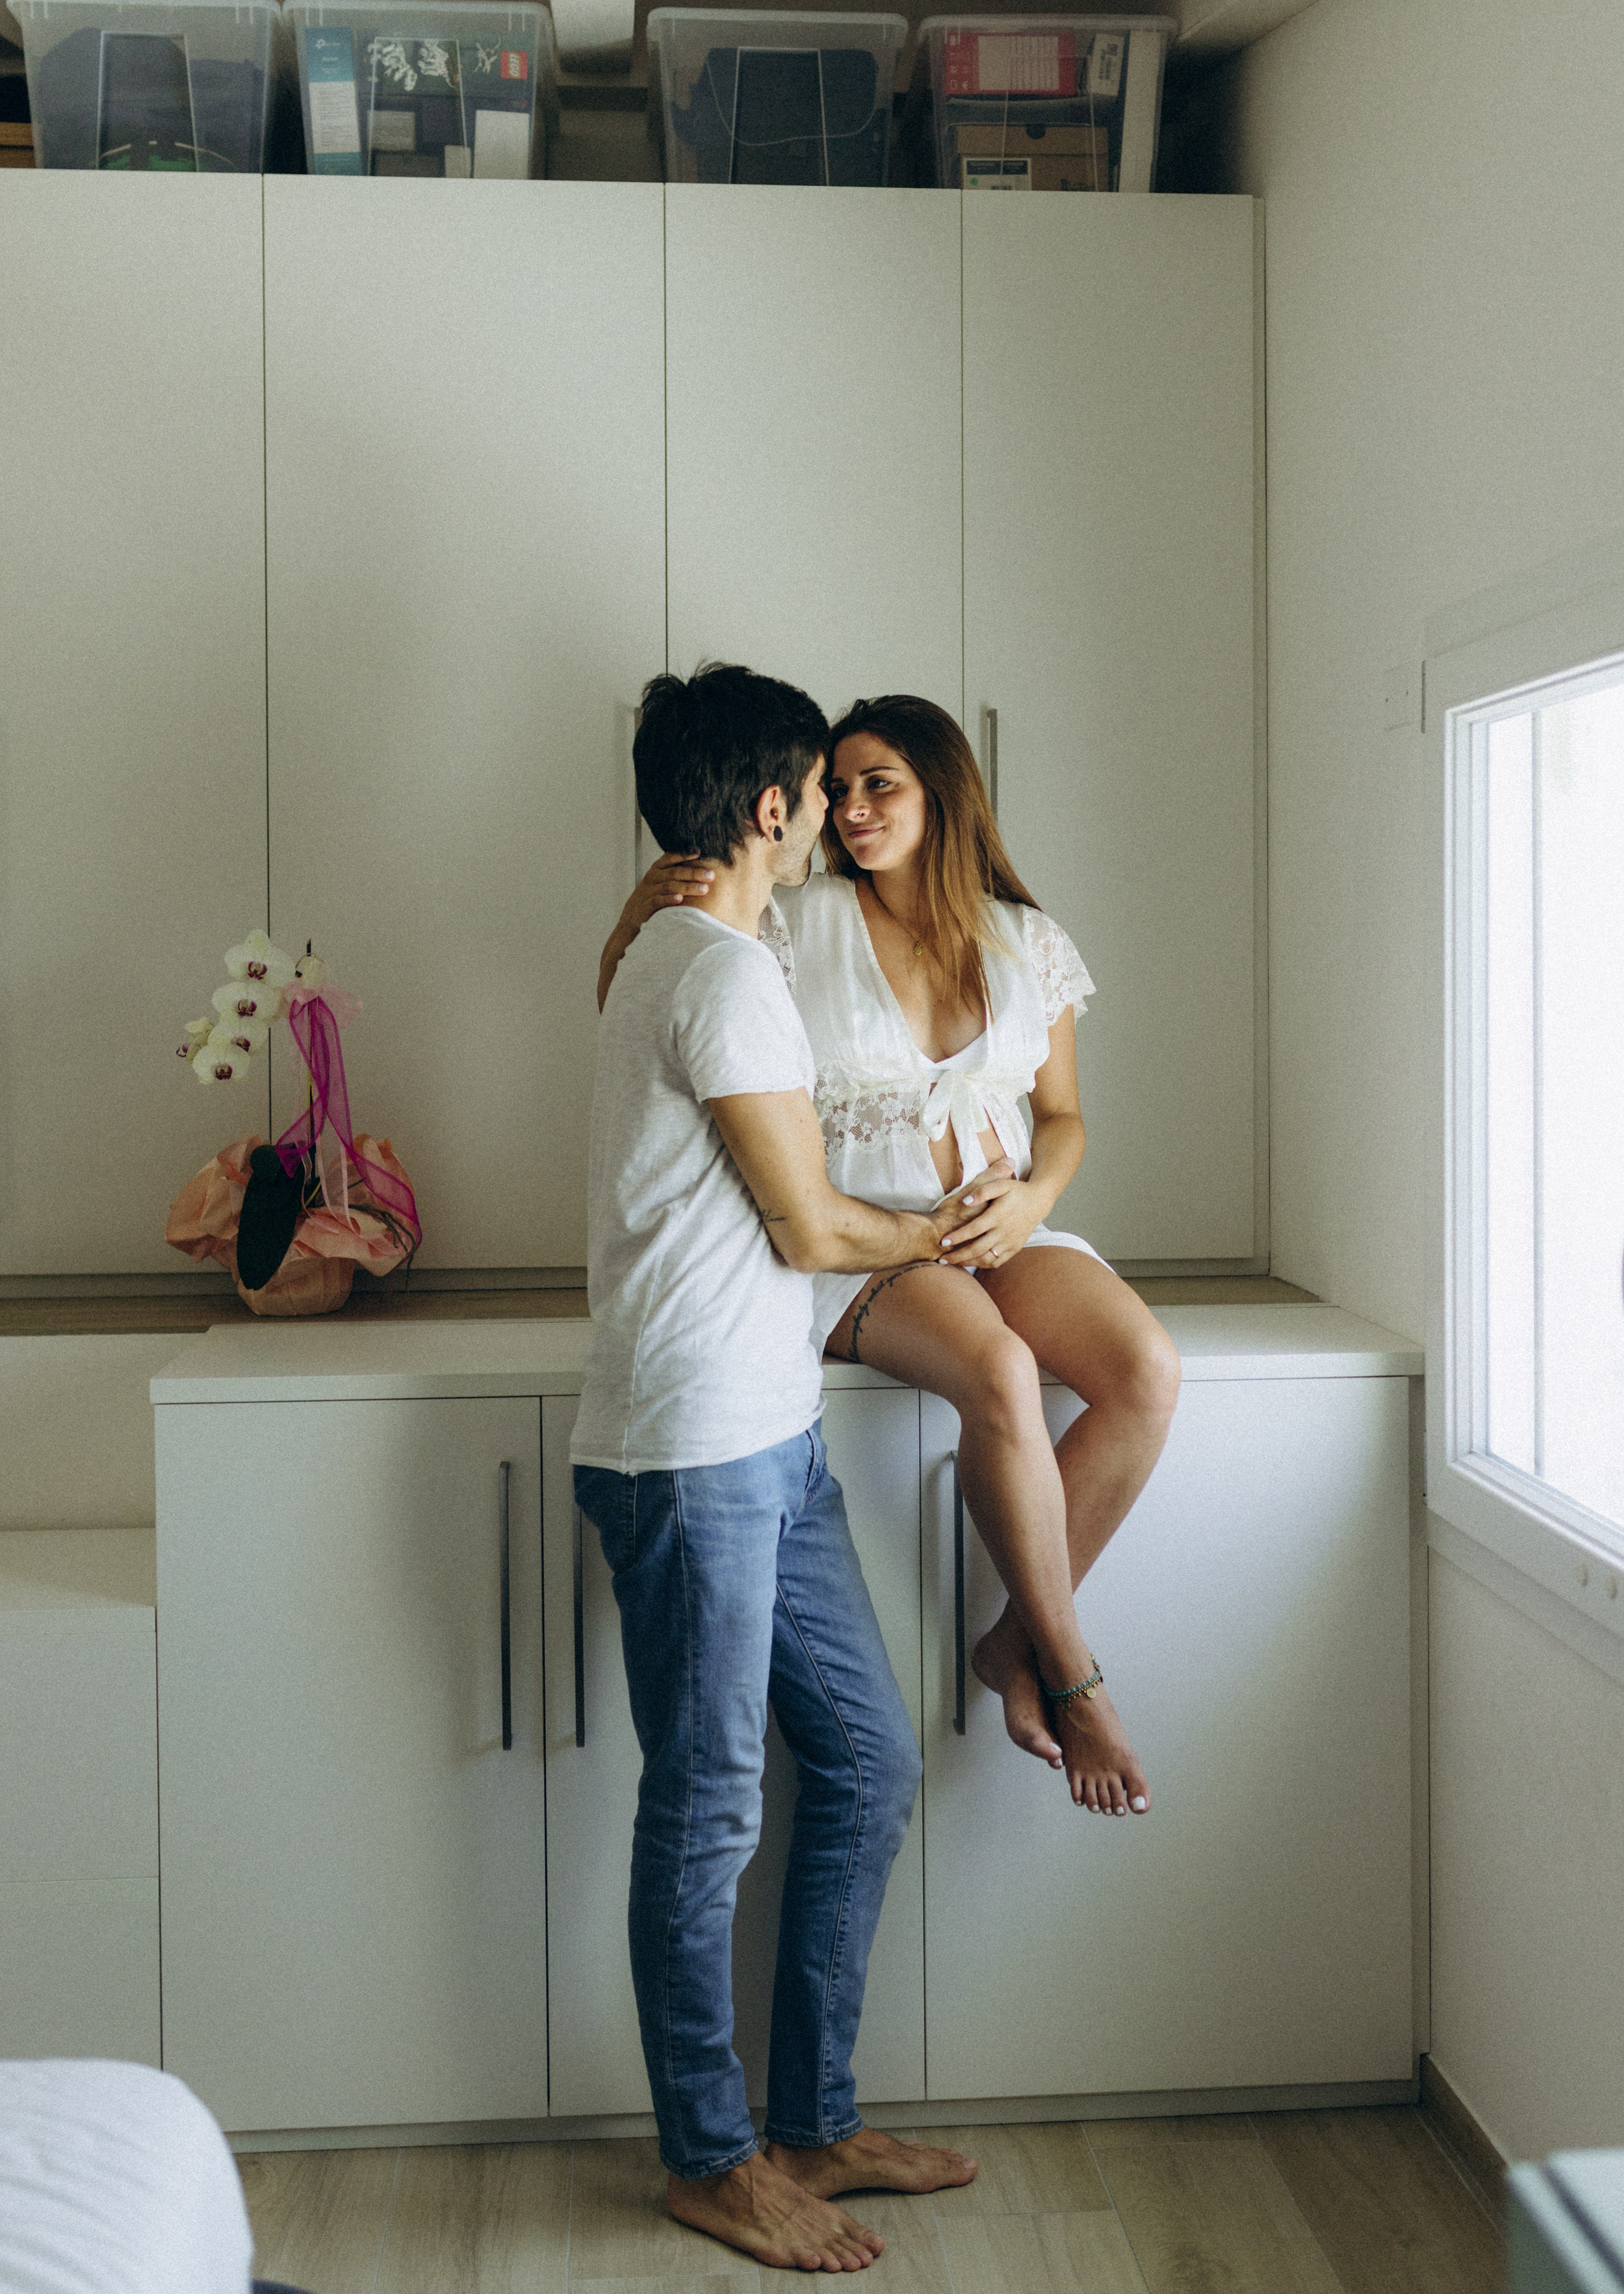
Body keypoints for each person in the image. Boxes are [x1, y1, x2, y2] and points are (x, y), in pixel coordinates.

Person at [575, 664, 984, 2276]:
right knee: (706, 1810)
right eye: (820, 792)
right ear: (770, 809)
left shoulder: (681, 947)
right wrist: (948, 1234)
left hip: (769, 1436)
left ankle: (812, 2116)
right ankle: (708, 2157)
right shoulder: (719, 972)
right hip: (690, 1454)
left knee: (866, 1764)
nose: (832, 815)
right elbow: (808, 1225)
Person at [602, 692, 1181, 1820]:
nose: (854, 810)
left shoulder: (1031, 942)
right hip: (860, 1244)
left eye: (882, 785)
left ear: (943, 792)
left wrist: (1032, 1200)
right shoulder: (792, 917)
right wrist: (635, 903)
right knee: (1001, 1368)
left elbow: (1062, 1117)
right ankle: (1074, 1670)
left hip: (992, 1224)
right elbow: (652, 991)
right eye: (842, 787)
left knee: (1146, 1371)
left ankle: (1012, 1639)